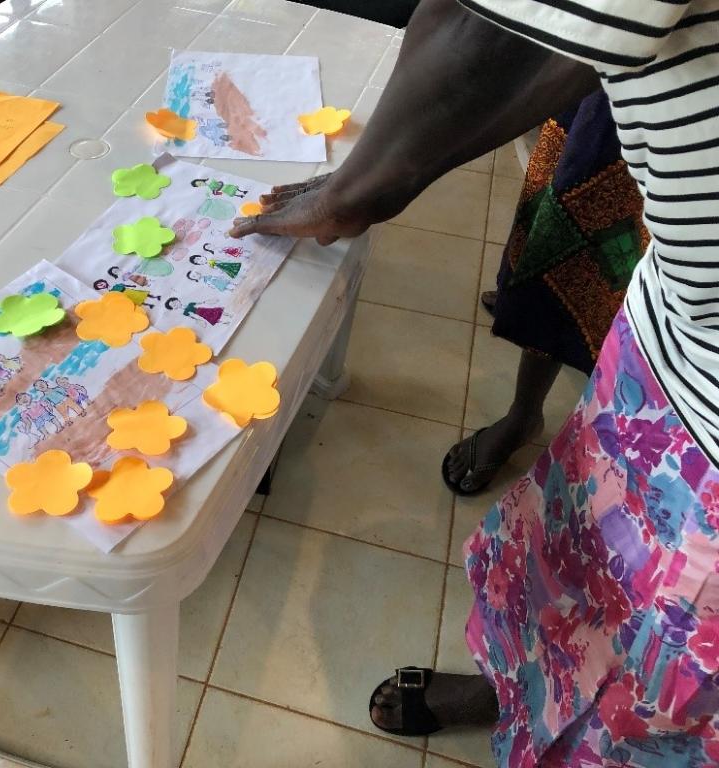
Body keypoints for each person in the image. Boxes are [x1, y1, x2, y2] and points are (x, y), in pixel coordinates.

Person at [231, 0, 719, 763]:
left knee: (675, 669)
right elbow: (572, 36)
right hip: (676, 320)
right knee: (590, 546)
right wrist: (374, 180)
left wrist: (359, 188)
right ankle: (524, 685)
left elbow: (475, 25)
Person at [444, 90, 647, 494]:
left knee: (577, 249)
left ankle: (524, 416)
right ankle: (518, 300)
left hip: (676, 105)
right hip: (603, 82)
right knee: (551, 216)